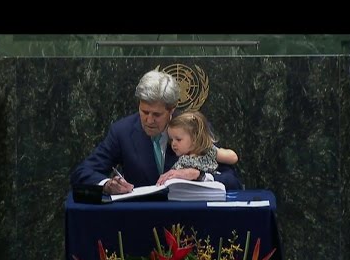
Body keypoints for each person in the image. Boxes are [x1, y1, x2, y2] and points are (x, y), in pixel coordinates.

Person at [70, 70, 242, 195]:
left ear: (172, 109)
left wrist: (200, 176)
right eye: (144, 112)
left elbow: (232, 180)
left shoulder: (192, 127)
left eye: (157, 114)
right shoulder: (122, 131)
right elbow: (83, 172)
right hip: (139, 220)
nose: (149, 120)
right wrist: (107, 184)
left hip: (189, 220)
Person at [157, 110, 238, 185]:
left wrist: (215, 150)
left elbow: (233, 158)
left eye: (178, 139)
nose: (173, 144)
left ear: (195, 139)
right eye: (171, 140)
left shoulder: (208, 151)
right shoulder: (179, 161)